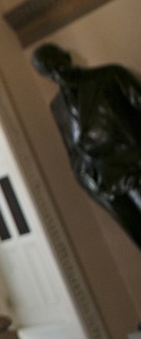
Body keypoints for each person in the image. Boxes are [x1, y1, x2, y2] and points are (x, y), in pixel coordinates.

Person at [31, 43, 141, 250]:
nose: (56, 73)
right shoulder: (57, 108)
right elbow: (74, 153)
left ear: (67, 56)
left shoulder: (110, 76)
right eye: (48, 71)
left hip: (135, 170)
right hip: (106, 187)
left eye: (56, 64)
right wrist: (89, 180)